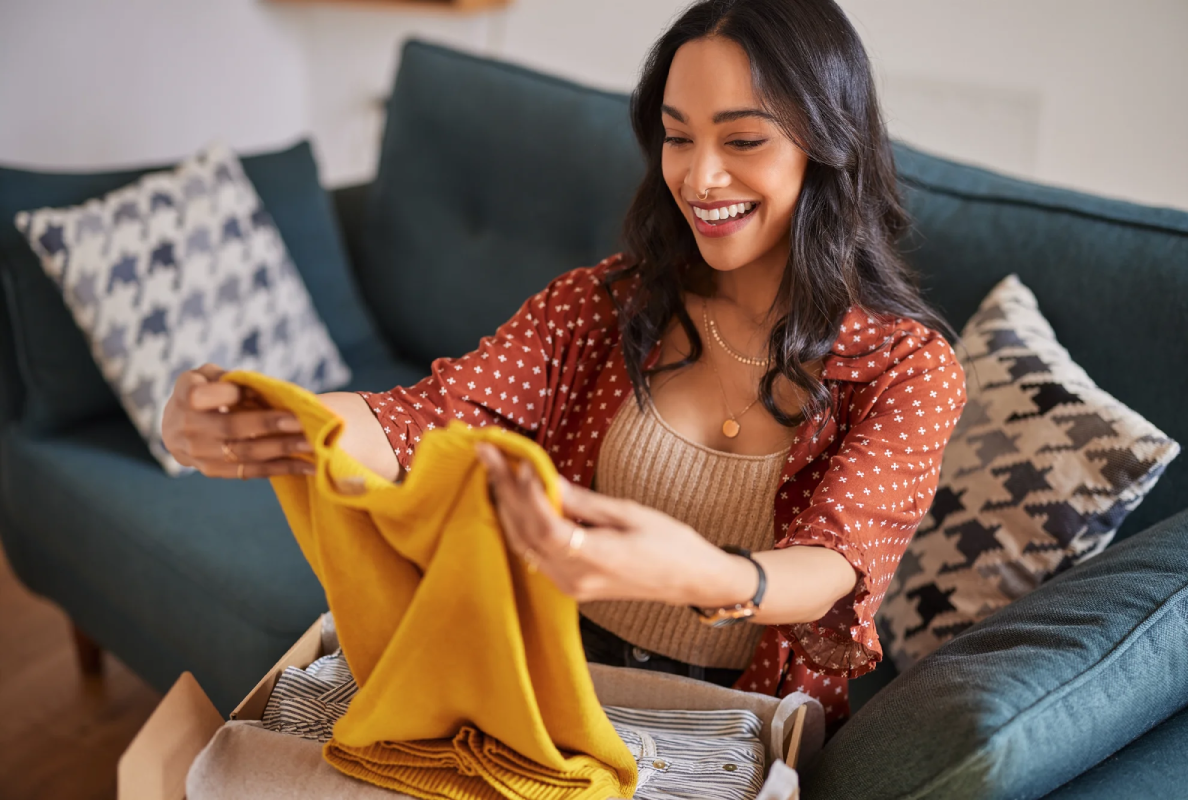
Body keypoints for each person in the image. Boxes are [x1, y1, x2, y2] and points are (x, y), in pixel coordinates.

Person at [162, 0, 966, 734]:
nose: (699, 176)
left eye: (744, 139)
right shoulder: (601, 306)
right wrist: (269, 416)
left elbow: (834, 562)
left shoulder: (907, 370)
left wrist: (707, 572)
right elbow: (428, 419)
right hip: (542, 680)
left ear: (828, 146)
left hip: (736, 726)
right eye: (678, 136)